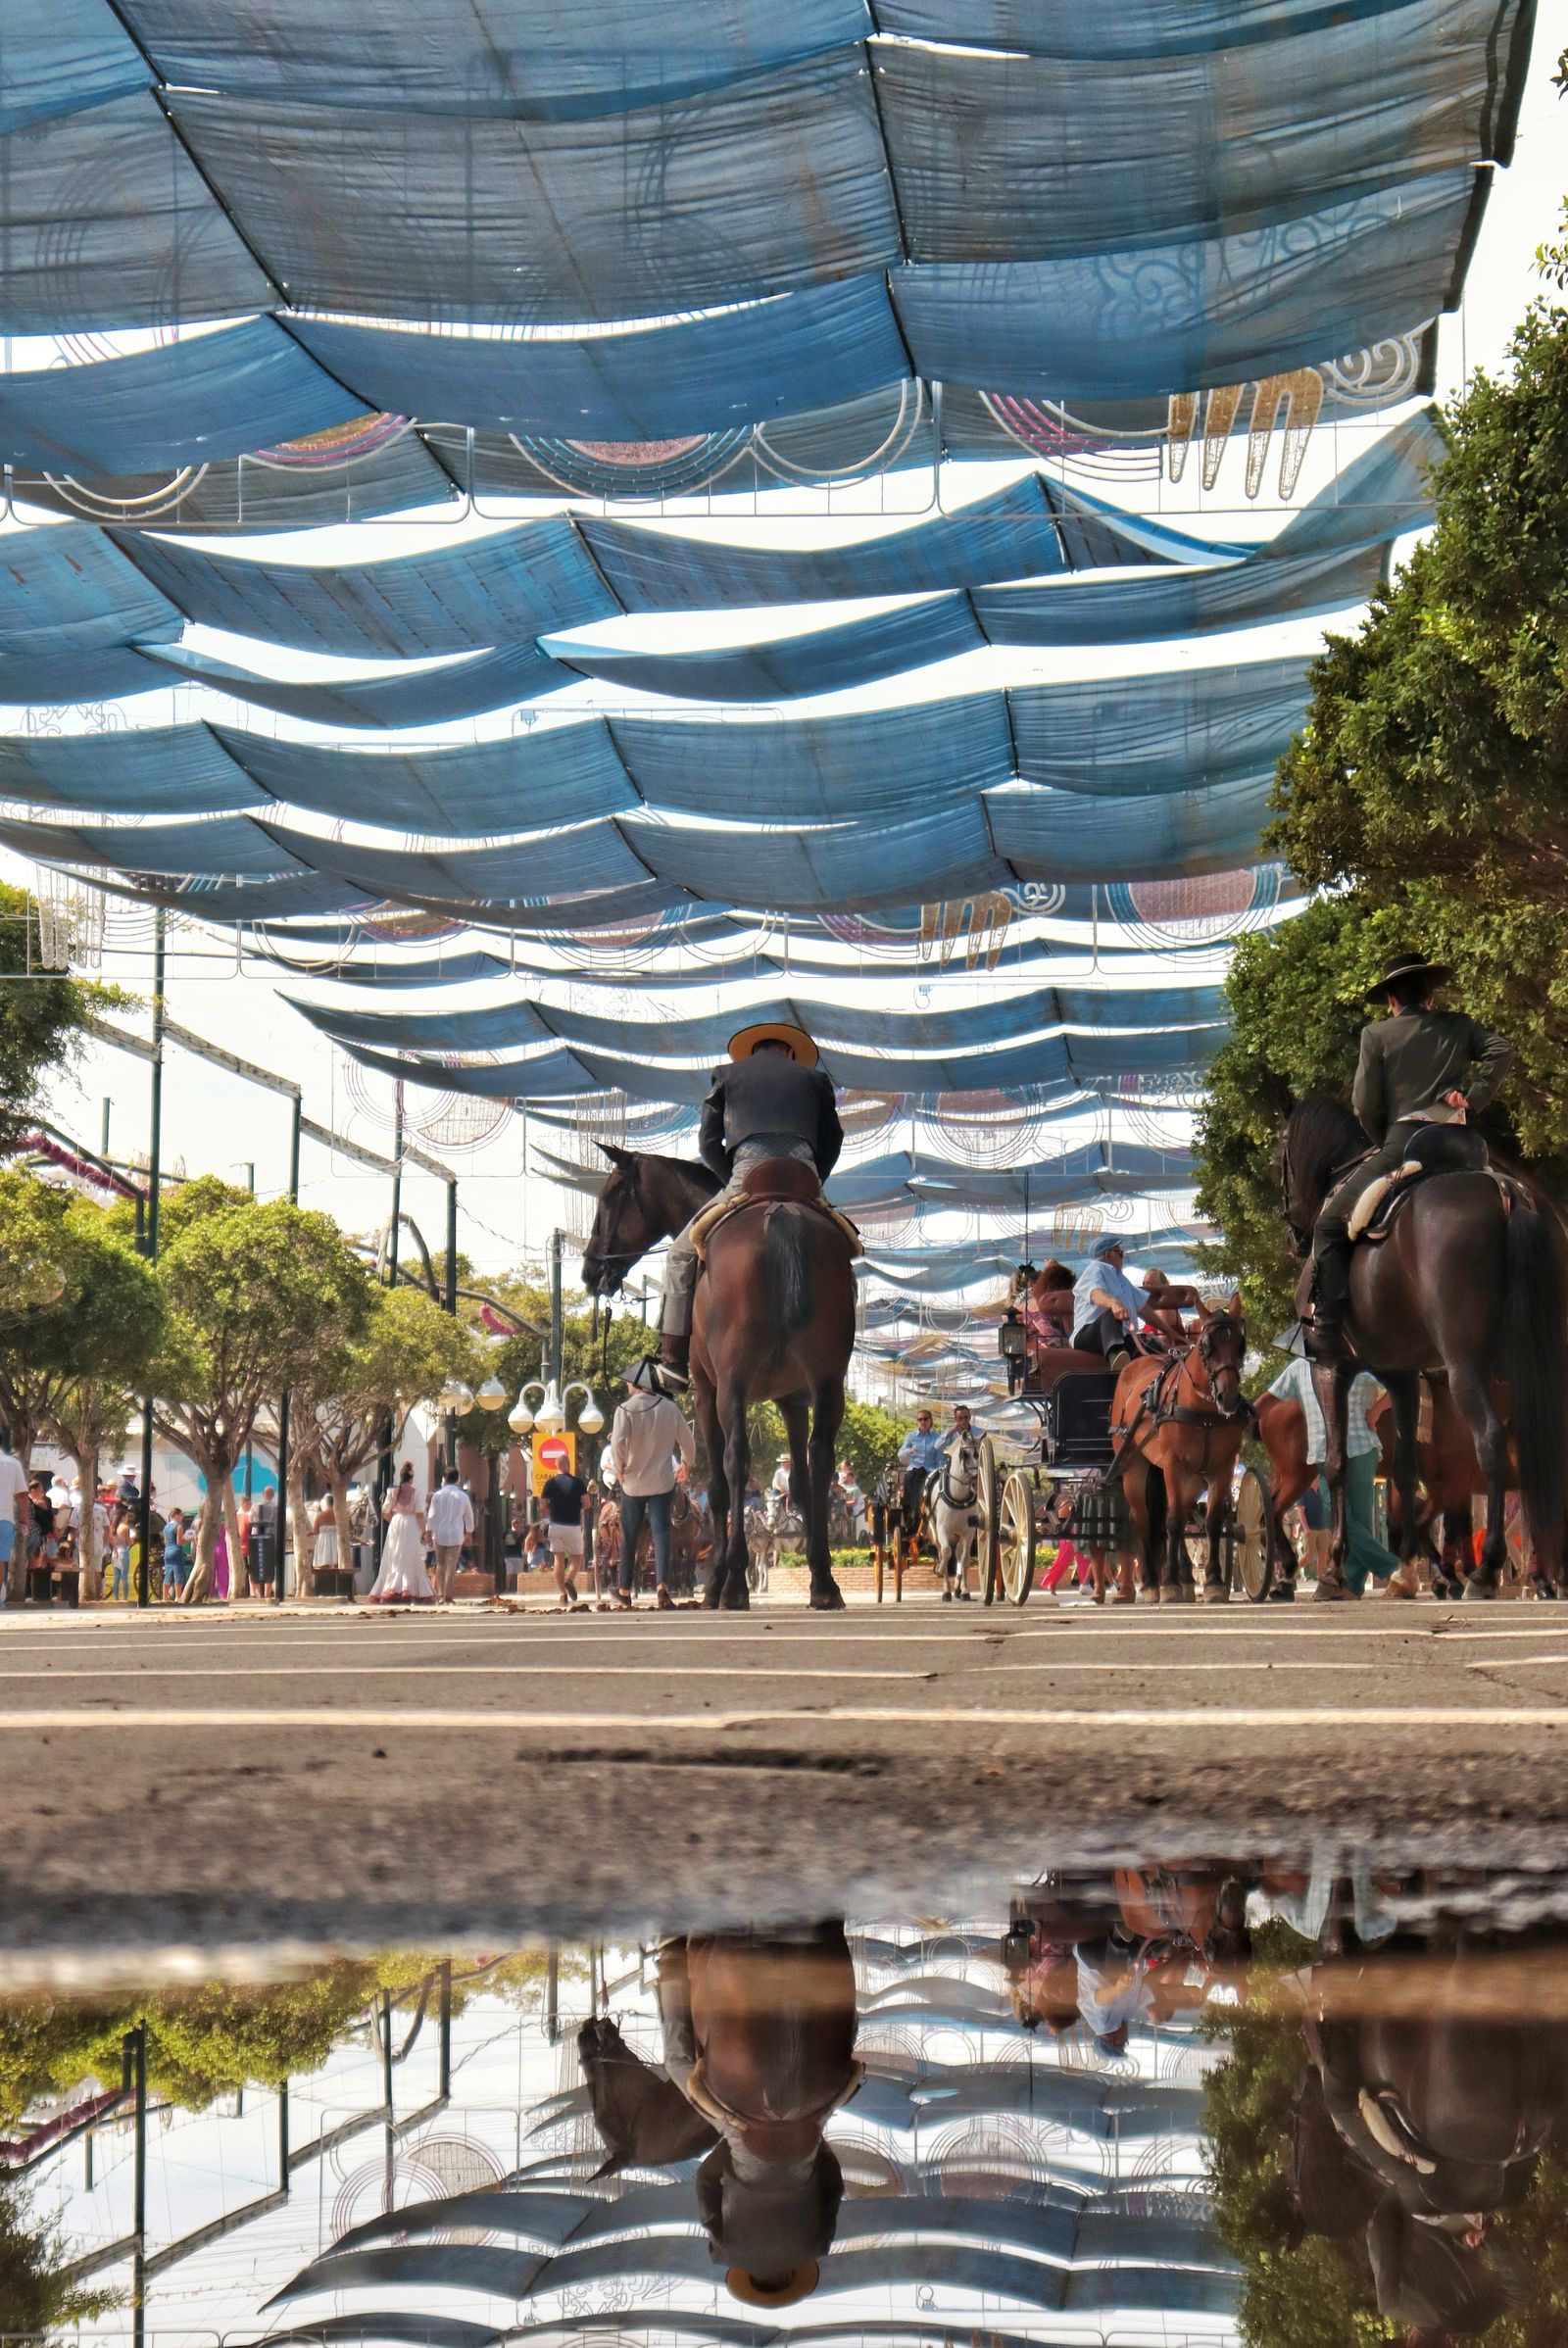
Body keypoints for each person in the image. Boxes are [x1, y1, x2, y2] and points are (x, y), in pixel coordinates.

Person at [1311, 954, 1514, 1361]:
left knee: (1329, 1225)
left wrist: (1383, 1136)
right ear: (1430, 996)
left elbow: (1364, 1104)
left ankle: (1328, 1328)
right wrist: (1474, 1097)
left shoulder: (1377, 1035)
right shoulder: (1460, 1026)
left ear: (1391, 1000)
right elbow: (1502, 1048)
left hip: (1403, 1144)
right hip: (1463, 1147)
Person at [653, 1022, 843, 1394]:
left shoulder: (726, 1075)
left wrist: (732, 1179)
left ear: (752, 1051)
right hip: (804, 1175)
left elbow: (708, 1142)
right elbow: (833, 1139)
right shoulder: (816, 1080)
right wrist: (815, 1179)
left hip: (744, 1174)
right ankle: (837, 1350)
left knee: (679, 1256)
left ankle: (673, 1359)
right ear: (790, 1052)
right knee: (845, 1249)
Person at [1266, 1356, 1400, 1601]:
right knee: (1340, 1517)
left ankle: (1354, 1586)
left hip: (1361, 1447)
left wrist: (1375, 1412)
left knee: (1356, 1520)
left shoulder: (1359, 1362)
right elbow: (1271, 1397)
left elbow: (1393, 1386)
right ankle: (1395, 1568)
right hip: (1324, 1452)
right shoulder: (1300, 1367)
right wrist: (1242, 1411)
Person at [609, 1362, 695, 1609]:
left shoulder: (624, 1409)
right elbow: (687, 1440)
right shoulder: (669, 1407)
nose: (627, 1386)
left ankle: (624, 1591)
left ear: (637, 1385)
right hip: (662, 1482)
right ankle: (662, 1590)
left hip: (632, 1484)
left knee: (630, 1537)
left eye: (628, 1382)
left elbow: (618, 1442)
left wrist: (620, 1468)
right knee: (662, 1535)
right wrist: (686, 1464)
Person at [1070, 1237, 1148, 1365]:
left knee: (1149, 1343)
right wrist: (1113, 1303)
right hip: (1087, 1336)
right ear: (1108, 1254)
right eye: (1120, 1253)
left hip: (1121, 1335)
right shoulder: (1095, 1269)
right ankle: (1116, 1357)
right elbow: (1096, 1293)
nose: (1122, 1257)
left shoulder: (1121, 1279)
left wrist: (1173, 1334)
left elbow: (1144, 1309)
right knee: (1110, 1314)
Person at [368, 1461, 434, 1604]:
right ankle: (409, 1587)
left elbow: (385, 1512)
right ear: (411, 1478)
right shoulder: (416, 1493)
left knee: (395, 1556)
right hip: (411, 1524)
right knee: (410, 1555)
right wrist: (424, 1532)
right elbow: (419, 1514)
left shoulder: (393, 1492)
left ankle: (392, 1586)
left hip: (396, 1524)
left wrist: (395, 1519)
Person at [539, 1457, 590, 1611]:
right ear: (569, 1464)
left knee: (558, 1559)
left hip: (556, 1525)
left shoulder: (550, 1483)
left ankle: (562, 1593)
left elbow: (542, 1506)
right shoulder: (579, 1483)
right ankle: (570, 1579)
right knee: (577, 1557)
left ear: (556, 1466)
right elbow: (587, 1504)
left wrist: (552, 1513)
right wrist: (579, 1509)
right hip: (573, 1525)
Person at [425, 1467, 475, 1604]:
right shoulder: (462, 1496)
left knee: (440, 1565)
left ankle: (441, 1595)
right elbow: (468, 1516)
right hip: (455, 1534)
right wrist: (469, 1532)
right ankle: (448, 1595)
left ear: (444, 1479)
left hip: (439, 1533)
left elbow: (432, 1515)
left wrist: (428, 1531)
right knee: (451, 1566)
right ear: (457, 1479)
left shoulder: (437, 1496)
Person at [0, 1430, 27, 1607]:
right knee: (1, 1560)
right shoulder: (13, 1463)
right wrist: (25, 1520)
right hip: (5, 1519)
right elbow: (21, 1495)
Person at [162, 1507, 188, 1602]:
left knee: (168, 1573)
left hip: (167, 1551)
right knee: (178, 1573)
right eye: (181, 1515)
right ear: (176, 1515)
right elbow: (179, 1542)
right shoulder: (179, 1527)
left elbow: (165, 1542)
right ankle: (178, 1596)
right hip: (176, 1551)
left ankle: (165, 1597)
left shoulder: (166, 1527)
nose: (182, 1517)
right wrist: (189, 1539)